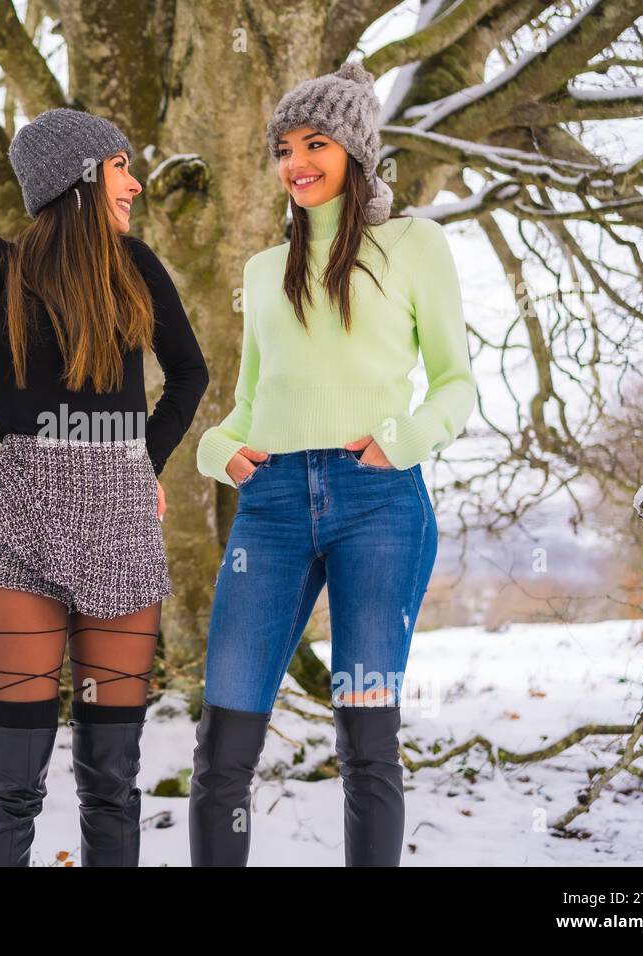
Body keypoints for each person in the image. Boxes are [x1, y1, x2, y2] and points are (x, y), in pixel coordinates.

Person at [0, 108, 209, 866]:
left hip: (122, 526)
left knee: (112, 780)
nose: (134, 183)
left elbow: (191, 373)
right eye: (121, 166)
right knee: (13, 781)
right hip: (18, 531)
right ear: (83, 174)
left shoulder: (138, 266)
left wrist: (143, 462)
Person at [189, 63, 477, 866]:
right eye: (284, 148)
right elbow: (249, 404)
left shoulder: (414, 246)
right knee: (223, 745)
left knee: (367, 746)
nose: (296, 162)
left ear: (355, 148)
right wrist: (218, 450)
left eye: (315, 143)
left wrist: (404, 442)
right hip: (272, 506)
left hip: (378, 502)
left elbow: (456, 383)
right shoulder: (262, 271)